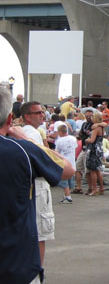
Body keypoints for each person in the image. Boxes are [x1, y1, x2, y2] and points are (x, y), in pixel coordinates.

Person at [0, 87, 74, 284]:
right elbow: (68, 169)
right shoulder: (22, 149)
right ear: (9, 119)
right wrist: (28, 141)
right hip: (15, 265)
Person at [20, 100, 58, 267]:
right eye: (38, 113)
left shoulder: (22, 132)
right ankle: (38, 269)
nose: (42, 115)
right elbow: (43, 162)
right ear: (27, 116)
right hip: (38, 186)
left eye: (42, 112)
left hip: (26, 187)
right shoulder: (34, 134)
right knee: (41, 233)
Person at [55, 123, 77, 203]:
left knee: (64, 180)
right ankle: (67, 194)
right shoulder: (73, 138)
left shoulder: (59, 141)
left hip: (64, 162)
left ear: (60, 132)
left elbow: (56, 152)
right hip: (72, 161)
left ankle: (68, 196)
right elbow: (75, 147)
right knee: (70, 179)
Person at [85, 111, 106, 196]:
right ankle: (101, 188)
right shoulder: (101, 128)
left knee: (92, 170)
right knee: (98, 170)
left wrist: (86, 140)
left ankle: (95, 189)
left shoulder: (95, 128)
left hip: (93, 149)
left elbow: (92, 140)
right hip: (99, 149)